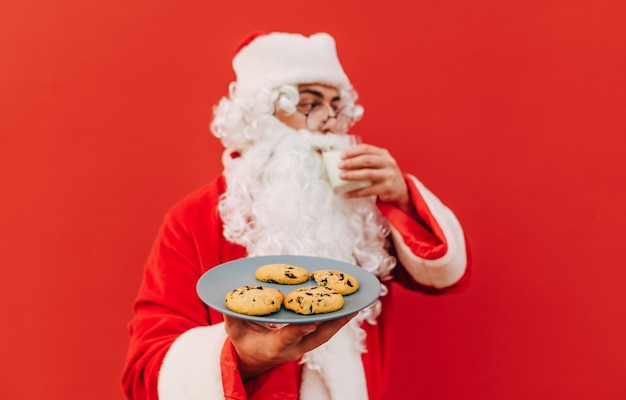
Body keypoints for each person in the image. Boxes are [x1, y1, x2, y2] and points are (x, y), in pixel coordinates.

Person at [122, 31, 471, 400]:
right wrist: (240, 359)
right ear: (260, 116)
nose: (330, 122)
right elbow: (145, 369)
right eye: (309, 104)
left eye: (337, 106)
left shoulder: (359, 209)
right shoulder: (193, 219)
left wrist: (400, 198)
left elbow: (443, 277)